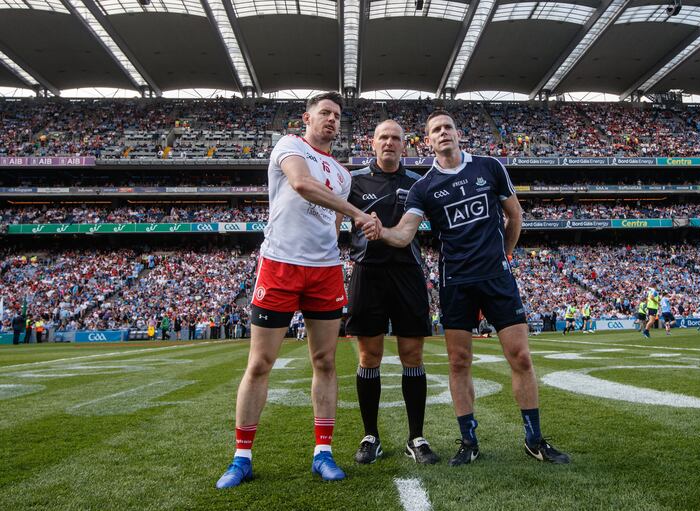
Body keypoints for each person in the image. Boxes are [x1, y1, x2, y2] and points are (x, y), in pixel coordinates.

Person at [364, 109, 570, 467]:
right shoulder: (423, 187)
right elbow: (405, 234)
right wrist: (381, 231)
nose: (443, 133)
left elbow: (515, 215)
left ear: (458, 134)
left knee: (520, 356)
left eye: (448, 127)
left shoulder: (489, 167)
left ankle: (534, 439)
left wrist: (503, 255)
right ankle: (468, 441)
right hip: (455, 282)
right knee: (459, 362)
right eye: (435, 130)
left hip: (496, 278)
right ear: (427, 142)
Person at [216, 92, 375, 489]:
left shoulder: (343, 175)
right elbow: (302, 184)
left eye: (337, 115)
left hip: (324, 271)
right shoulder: (289, 146)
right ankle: (242, 458)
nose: (332, 120)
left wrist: (360, 224)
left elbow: (332, 225)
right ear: (308, 117)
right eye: (325, 113)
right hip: (281, 264)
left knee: (324, 362)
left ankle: (323, 452)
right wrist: (358, 213)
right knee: (260, 363)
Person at [346, 119, 438, 465]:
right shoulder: (352, 181)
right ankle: (371, 435)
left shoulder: (419, 182)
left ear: (405, 145)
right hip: (367, 273)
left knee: (412, 356)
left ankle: (416, 437)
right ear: (372, 144)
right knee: (369, 357)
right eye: (383, 137)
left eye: (395, 138)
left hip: (408, 273)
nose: (389, 142)